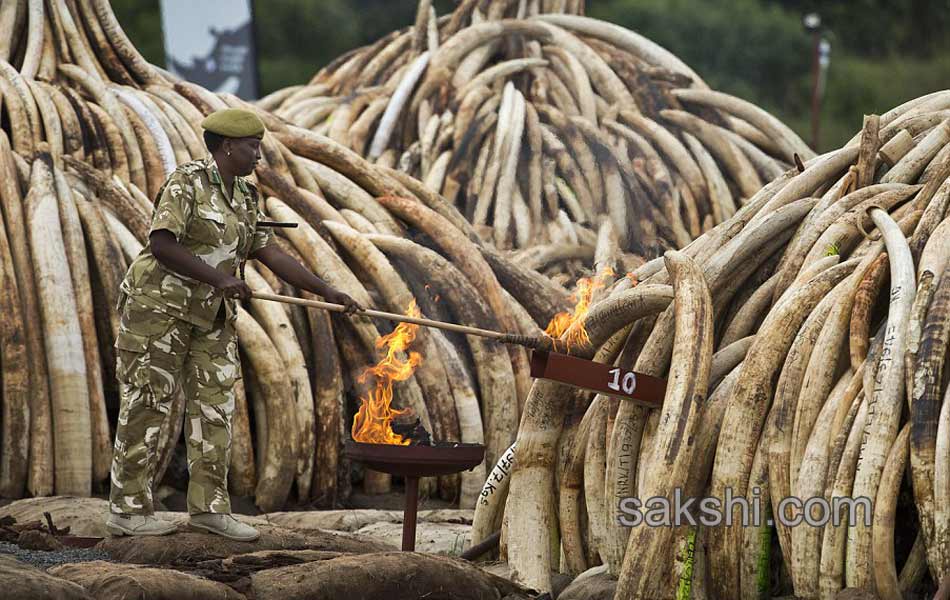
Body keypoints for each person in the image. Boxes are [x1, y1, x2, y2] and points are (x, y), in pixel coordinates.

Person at [105, 107, 362, 540]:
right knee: (148, 403)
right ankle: (127, 511)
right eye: (251, 147)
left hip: (210, 316)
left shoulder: (245, 194)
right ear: (227, 146)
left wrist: (326, 290)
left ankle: (209, 509)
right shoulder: (186, 182)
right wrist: (220, 277)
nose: (258, 155)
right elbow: (162, 244)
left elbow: (269, 252)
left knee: (216, 406)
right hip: (159, 311)